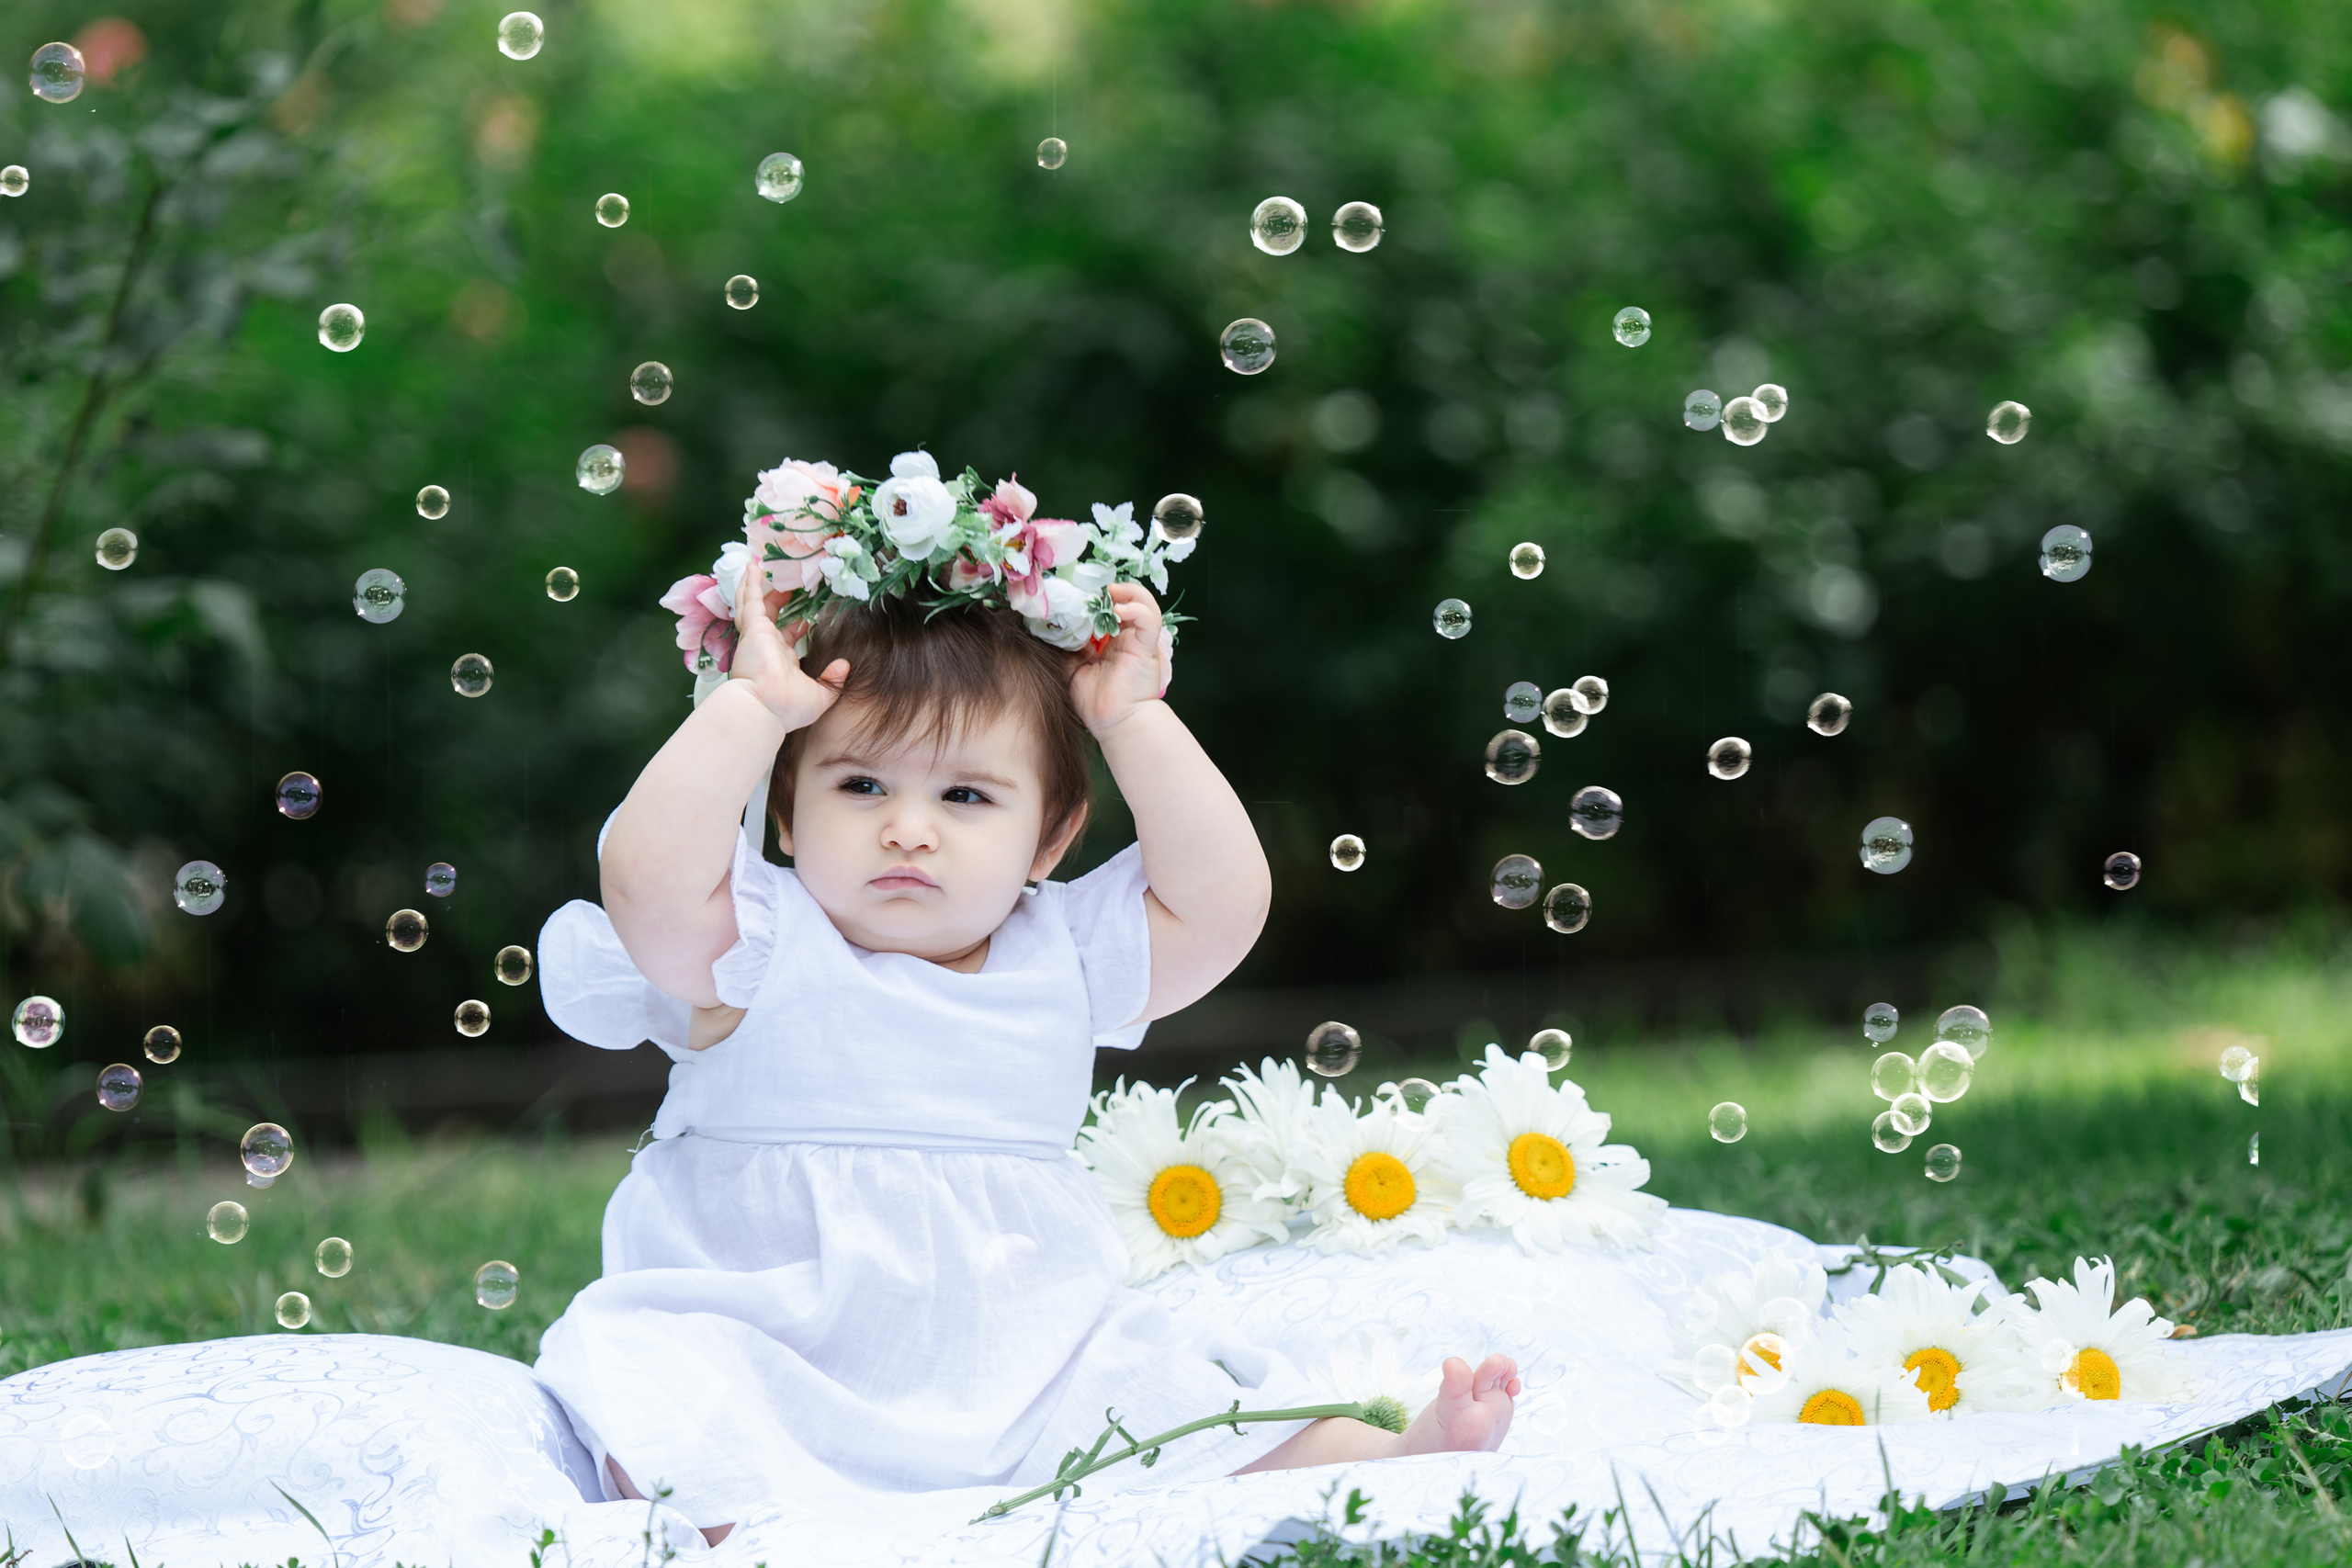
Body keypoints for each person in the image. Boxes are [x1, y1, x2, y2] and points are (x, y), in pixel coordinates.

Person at [533, 462, 1520, 1546]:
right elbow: (645, 878)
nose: (908, 828)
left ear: (1048, 839)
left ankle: (1376, 1452)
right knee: (666, 1389)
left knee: (1165, 1397)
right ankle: (752, 1531)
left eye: (965, 796)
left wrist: (1131, 719)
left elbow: (1223, 903)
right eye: (860, 785)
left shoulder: (1067, 952)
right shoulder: (755, 945)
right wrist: (753, 707)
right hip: (777, 1343)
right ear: (783, 814)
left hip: (1025, 1356)